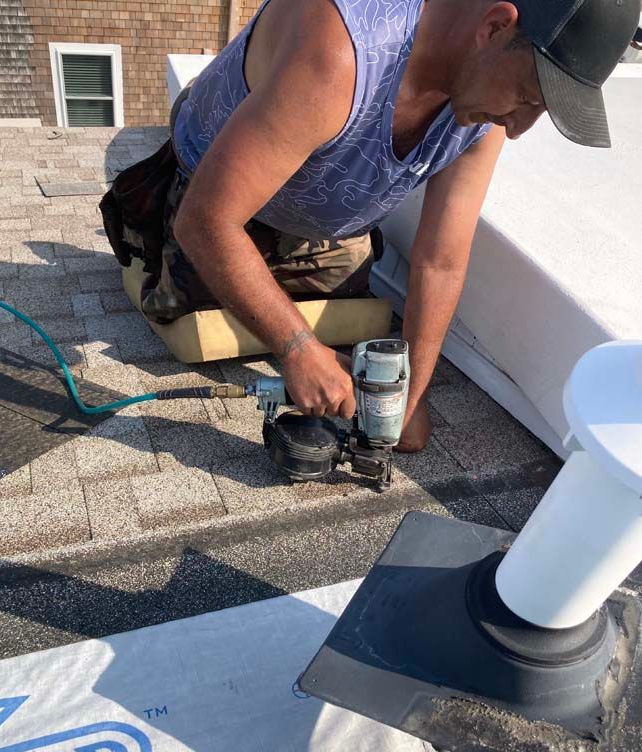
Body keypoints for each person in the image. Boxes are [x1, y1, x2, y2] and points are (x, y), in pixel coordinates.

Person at [107, 0, 638, 453]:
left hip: (317, 226)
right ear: (495, 26)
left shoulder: (485, 113)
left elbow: (441, 260)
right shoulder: (343, 51)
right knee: (197, 296)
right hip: (210, 184)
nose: (519, 128)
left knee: (344, 317)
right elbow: (208, 219)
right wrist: (296, 348)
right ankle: (149, 228)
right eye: (526, 97)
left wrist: (410, 397)